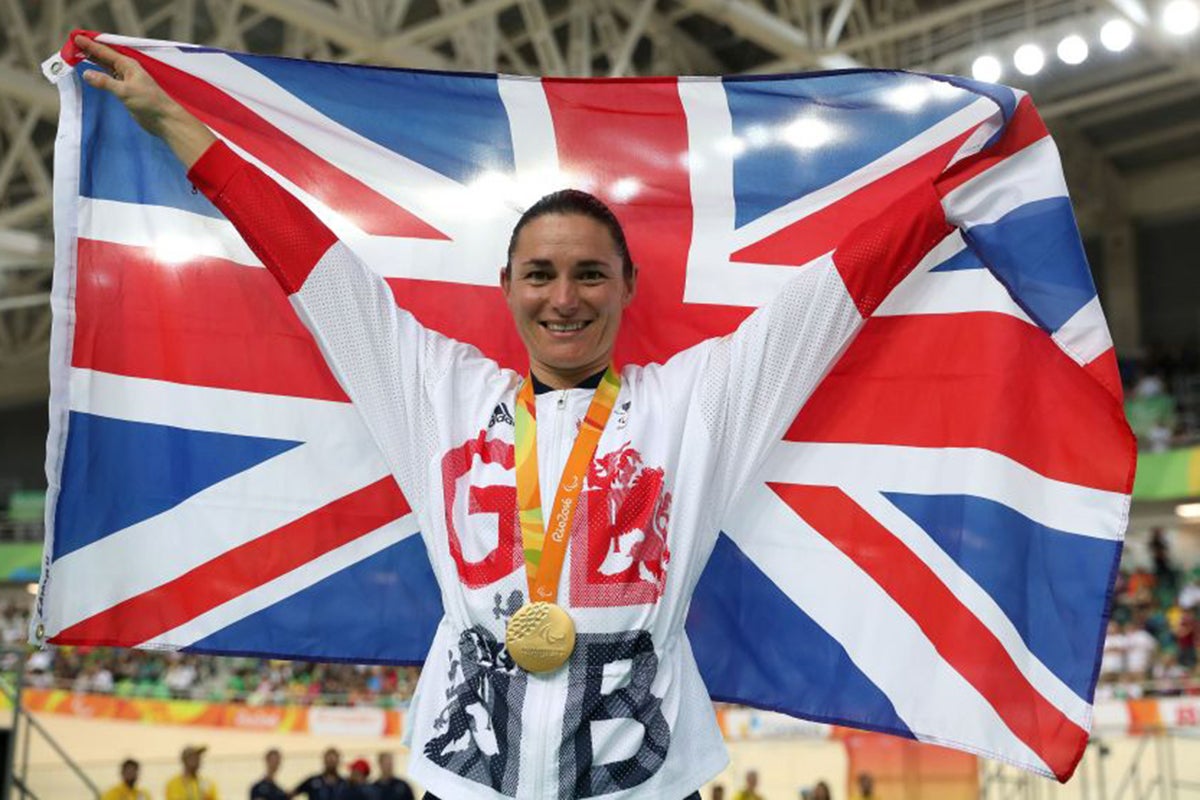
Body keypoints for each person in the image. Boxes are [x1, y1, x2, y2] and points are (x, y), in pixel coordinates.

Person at [75, 33, 931, 800]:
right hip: (467, 780)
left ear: (628, 287)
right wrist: (176, 126)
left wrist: (947, 190)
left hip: (642, 783)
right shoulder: (439, 396)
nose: (565, 298)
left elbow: (822, 307)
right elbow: (314, 267)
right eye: (540, 273)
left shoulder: (691, 405)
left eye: (591, 274)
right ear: (508, 288)